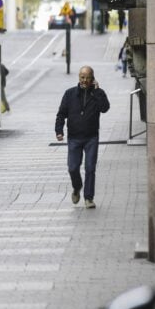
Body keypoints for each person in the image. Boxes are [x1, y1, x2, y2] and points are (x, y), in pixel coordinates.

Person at [55, 66, 110, 209]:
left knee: (90, 168)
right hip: (74, 137)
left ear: (93, 78)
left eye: (87, 77)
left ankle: (88, 198)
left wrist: (97, 91)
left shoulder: (98, 93)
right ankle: (77, 186)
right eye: (82, 77)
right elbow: (61, 114)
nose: (85, 80)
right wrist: (59, 130)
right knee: (73, 168)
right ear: (79, 77)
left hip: (91, 137)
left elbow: (105, 108)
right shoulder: (70, 94)